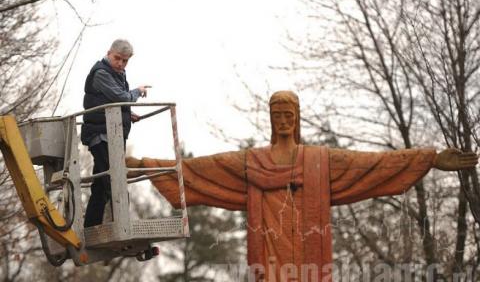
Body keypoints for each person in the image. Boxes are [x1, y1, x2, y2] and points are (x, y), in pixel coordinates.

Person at [126, 91, 478, 281]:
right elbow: (203, 169)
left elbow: (372, 163)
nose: (283, 121)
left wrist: (430, 158)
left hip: (309, 257)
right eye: (277, 115)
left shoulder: (319, 161)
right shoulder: (253, 161)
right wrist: (143, 166)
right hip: (271, 255)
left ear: (297, 120)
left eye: (288, 115)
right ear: (270, 119)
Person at [81, 39, 150, 228]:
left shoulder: (117, 73)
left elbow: (114, 103)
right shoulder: (102, 72)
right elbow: (121, 97)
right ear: (108, 53)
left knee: (102, 185)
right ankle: (124, 225)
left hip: (111, 134)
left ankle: (90, 227)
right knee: (115, 180)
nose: (120, 63)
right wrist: (137, 91)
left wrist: (128, 115)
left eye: (125, 61)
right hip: (100, 134)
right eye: (117, 58)